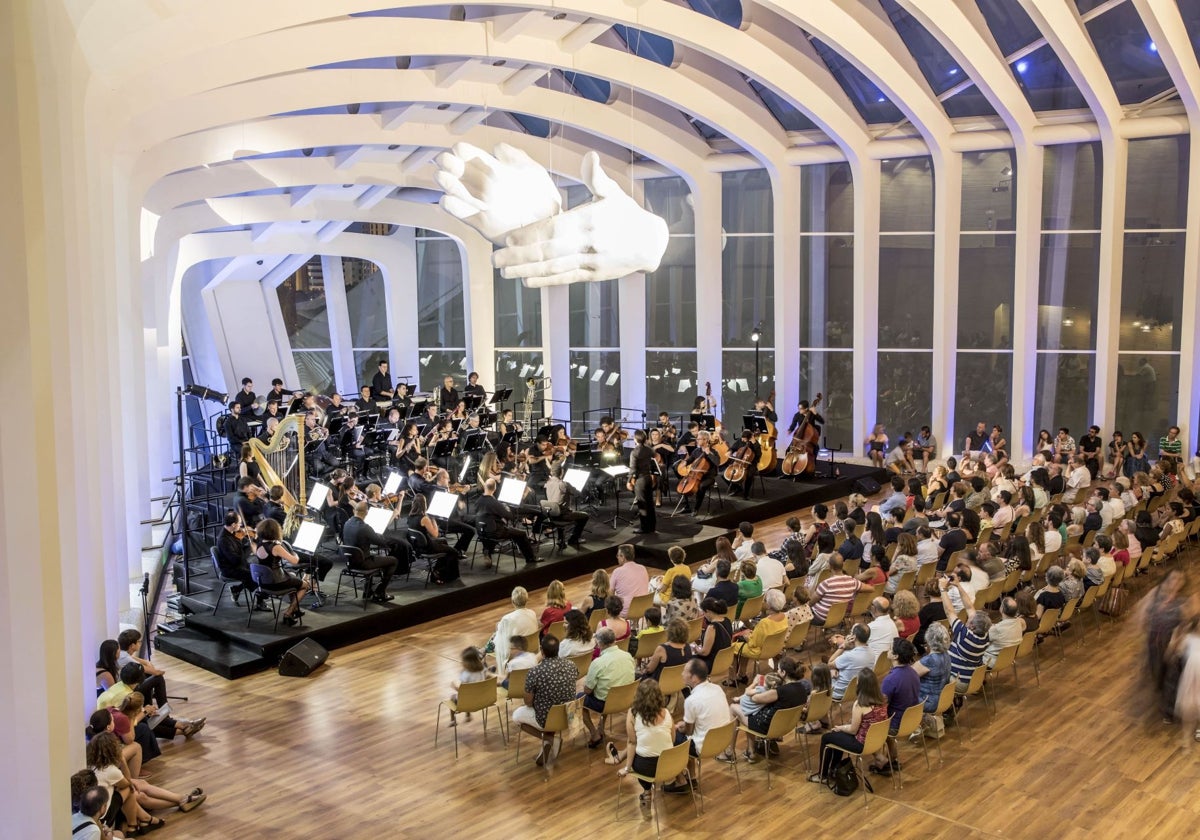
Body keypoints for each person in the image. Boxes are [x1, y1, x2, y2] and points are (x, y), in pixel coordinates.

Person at [724, 656, 810, 764]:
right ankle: (750, 751)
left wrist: (756, 683)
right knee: (749, 713)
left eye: (778, 669)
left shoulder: (780, 691)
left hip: (768, 727)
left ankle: (730, 752)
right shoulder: (802, 688)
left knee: (733, 708)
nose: (777, 672)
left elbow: (755, 698)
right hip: (787, 725)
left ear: (783, 672)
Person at [809, 667, 889, 783]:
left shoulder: (860, 704)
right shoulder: (883, 700)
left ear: (861, 685)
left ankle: (823, 775)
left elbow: (853, 730)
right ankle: (834, 770)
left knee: (826, 738)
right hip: (876, 740)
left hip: (861, 744)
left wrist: (841, 727)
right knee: (837, 736)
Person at [514, 635, 580, 766]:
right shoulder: (571, 665)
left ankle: (549, 738)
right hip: (569, 715)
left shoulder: (535, 672)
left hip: (546, 717)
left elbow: (528, 702)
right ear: (558, 649)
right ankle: (548, 740)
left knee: (517, 717)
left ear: (541, 651)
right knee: (553, 707)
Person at [670, 658, 733, 791]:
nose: (682, 674)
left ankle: (681, 781)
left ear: (694, 678)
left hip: (703, 746)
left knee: (671, 735)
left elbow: (688, 732)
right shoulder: (717, 688)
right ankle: (691, 777)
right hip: (723, 741)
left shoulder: (691, 700)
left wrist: (678, 727)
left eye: (685, 671)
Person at [871, 638, 921, 776]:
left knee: (866, 723)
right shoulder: (913, 672)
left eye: (890, 649)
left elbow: (881, 705)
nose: (887, 650)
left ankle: (882, 761)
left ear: (895, 656)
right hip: (910, 720)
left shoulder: (891, 679)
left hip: (896, 723)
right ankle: (892, 759)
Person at [582, 627, 637, 748]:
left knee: (580, 699)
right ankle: (601, 728)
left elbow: (587, 690)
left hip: (606, 703)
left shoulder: (598, 662)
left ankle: (594, 733)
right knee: (606, 690)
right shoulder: (628, 656)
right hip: (626, 699)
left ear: (599, 643)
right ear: (614, 640)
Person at [340, 502, 399, 605]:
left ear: (354, 511)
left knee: (371, 555)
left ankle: (367, 591)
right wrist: (378, 534)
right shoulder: (365, 527)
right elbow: (382, 543)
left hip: (349, 562)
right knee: (393, 561)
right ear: (367, 512)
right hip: (363, 563)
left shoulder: (347, 523)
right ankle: (380, 592)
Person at [475, 478, 538, 566]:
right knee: (522, 534)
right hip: (496, 532)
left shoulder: (478, 501)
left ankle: (487, 551)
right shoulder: (494, 503)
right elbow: (510, 517)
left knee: (491, 527)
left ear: (485, 487)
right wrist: (507, 509)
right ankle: (530, 558)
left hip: (482, 532)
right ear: (495, 489)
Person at [910, 622, 952, 741]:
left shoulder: (929, 660)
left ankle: (916, 725)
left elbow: (909, 676)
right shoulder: (947, 655)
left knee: (901, 691)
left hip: (928, 701)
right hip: (943, 699)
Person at [407, 494, 460, 585]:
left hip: (417, 546)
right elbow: (435, 534)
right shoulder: (424, 519)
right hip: (427, 547)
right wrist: (433, 519)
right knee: (454, 552)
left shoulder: (410, 516)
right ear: (424, 504)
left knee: (444, 541)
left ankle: (438, 570)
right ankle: (444, 576)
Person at [488, 587, 539, 676]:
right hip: (532, 648)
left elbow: (500, 641)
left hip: (515, 651)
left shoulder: (507, 619)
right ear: (527, 600)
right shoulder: (532, 613)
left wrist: (496, 633)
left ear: (513, 601)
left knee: (494, 638)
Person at [541, 464, 588, 547]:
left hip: (550, 514)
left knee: (558, 507)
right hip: (563, 515)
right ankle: (573, 539)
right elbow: (577, 494)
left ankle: (560, 539)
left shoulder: (547, 483)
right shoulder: (563, 484)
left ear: (551, 472)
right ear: (562, 472)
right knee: (585, 516)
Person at [810, 555, 863, 626]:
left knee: (801, 611)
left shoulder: (826, 584)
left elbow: (811, 603)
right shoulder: (853, 581)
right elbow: (871, 589)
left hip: (821, 618)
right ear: (843, 565)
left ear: (830, 566)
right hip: (839, 616)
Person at [828, 623, 874, 701]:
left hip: (838, 693)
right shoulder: (872, 653)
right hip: (859, 690)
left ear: (854, 637)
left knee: (820, 670)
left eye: (851, 632)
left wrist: (843, 646)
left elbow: (829, 664)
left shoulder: (849, 656)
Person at [447, 646, 489, 726]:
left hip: (467, 702)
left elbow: (462, 690)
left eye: (463, 661)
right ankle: (468, 716)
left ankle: (453, 720)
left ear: (468, 662)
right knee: (470, 694)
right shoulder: (483, 670)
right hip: (482, 700)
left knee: (453, 697)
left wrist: (454, 685)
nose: (461, 662)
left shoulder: (466, 674)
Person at [628, 429, 657, 533]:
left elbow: (633, 469)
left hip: (640, 480)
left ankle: (644, 528)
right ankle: (652, 527)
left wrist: (628, 481)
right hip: (648, 478)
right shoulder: (649, 449)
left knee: (642, 504)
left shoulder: (634, 452)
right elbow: (654, 462)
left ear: (635, 439)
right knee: (649, 503)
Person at [695, 596, 734, 674]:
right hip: (725, 660)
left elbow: (705, 652)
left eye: (704, 613)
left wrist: (695, 649)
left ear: (708, 611)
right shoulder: (727, 620)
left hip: (713, 662)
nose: (703, 615)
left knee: (688, 660)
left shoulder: (712, 627)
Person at [610, 543, 650, 617]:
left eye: (618, 555)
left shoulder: (617, 571)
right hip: (644, 607)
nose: (617, 557)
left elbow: (610, 594)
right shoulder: (643, 568)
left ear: (623, 557)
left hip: (625, 612)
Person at [984, 597, 1024, 668]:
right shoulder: (1020, 622)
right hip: (1008, 659)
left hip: (991, 661)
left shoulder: (997, 629)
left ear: (1002, 609)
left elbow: (982, 639)